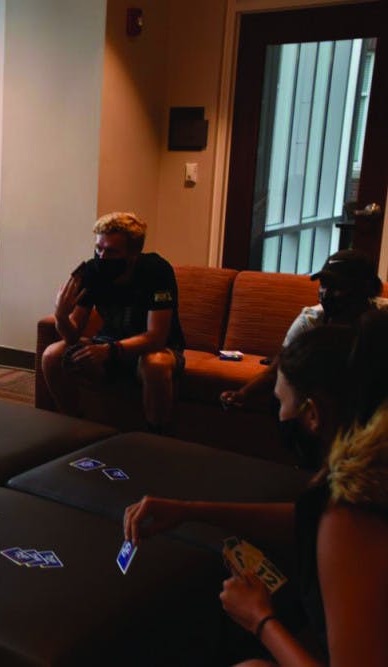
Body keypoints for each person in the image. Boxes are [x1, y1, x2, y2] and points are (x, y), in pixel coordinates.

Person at [123, 316, 388, 665]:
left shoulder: (353, 514)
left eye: (280, 402)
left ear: (313, 414)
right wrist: (190, 511)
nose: (279, 414)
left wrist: (260, 620)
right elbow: (307, 521)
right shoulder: (368, 480)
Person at [40, 211, 184, 433]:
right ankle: (73, 425)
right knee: (52, 355)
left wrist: (110, 350)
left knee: (154, 364)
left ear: (133, 253)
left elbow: (156, 337)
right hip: (107, 342)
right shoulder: (92, 271)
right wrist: (61, 315)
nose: (102, 256)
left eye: (111, 251)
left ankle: (156, 438)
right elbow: (72, 335)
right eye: (99, 248)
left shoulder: (156, 270)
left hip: (157, 349)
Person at [220, 249, 387, 410]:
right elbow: (281, 367)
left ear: (365, 289)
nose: (326, 293)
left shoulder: (381, 320)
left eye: (337, 287)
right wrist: (243, 394)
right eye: (323, 285)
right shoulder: (310, 321)